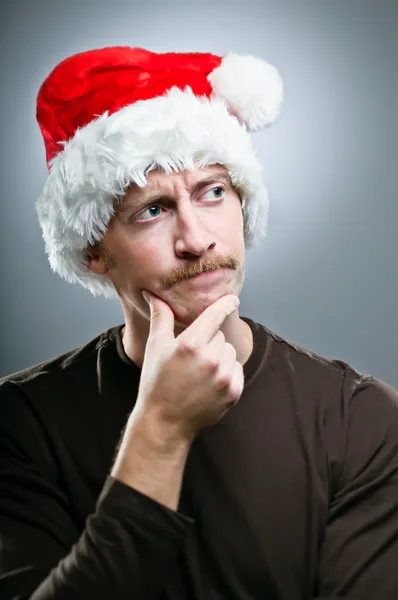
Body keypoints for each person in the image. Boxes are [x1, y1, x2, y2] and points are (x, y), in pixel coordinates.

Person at [0, 45, 397, 600]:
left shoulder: (358, 418)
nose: (196, 240)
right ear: (94, 250)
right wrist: (160, 431)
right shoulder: (19, 423)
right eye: (152, 210)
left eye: (213, 192)